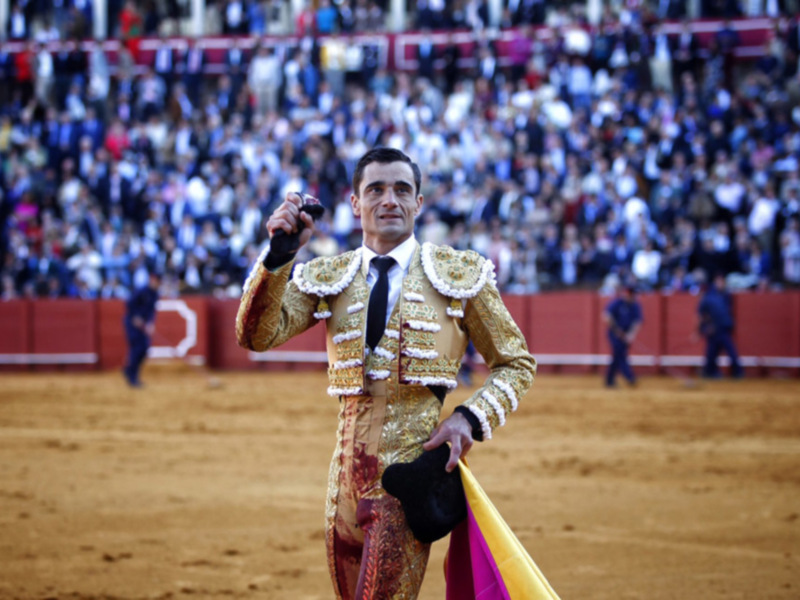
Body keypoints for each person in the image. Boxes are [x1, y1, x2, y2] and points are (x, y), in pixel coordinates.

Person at [235, 148, 536, 599]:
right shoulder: (328, 275)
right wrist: (279, 256)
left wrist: (468, 419)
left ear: (418, 203)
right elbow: (256, 335)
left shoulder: (459, 273)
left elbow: (516, 363)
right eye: (375, 189)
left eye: (402, 189)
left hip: (406, 475)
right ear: (356, 203)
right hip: (341, 484)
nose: (389, 199)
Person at [698, 273, 744, 379]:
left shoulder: (726, 295)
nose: (721, 283)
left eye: (722, 281)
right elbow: (700, 314)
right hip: (713, 329)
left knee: (731, 351)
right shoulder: (708, 296)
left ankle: (737, 372)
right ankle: (710, 372)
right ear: (714, 282)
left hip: (724, 329)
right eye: (719, 281)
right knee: (711, 354)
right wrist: (702, 328)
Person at [123, 271, 160, 387]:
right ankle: (133, 377)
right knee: (137, 348)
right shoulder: (141, 291)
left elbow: (151, 311)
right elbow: (129, 304)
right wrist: (135, 317)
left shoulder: (155, 294)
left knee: (144, 349)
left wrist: (150, 323)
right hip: (132, 323)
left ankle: (129, 370)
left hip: (143, 325)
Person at [603, 283, 642, 387]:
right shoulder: (617, 303)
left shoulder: (635, 305)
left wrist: (631, 335)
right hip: (614, 334)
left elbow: (637, 322)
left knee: (618, 355)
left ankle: (609, 380)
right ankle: (629, 376)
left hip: (626, 334)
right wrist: (616, 330)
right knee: (619, 353)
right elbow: (606, 316)